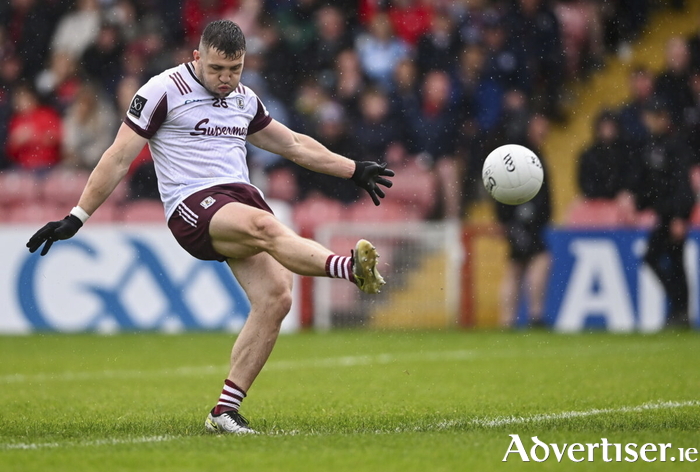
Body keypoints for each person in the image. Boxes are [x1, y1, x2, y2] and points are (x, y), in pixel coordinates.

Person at [26, 20, 394, 434]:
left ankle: (224, 412)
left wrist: (353, 170)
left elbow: (292, 144)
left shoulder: (244, 98)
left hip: (238, 198)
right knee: (264, 226)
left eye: (234, 69)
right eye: (217, 68)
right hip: (192, 204)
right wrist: (78, 216)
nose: (225, 79)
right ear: (197, 57)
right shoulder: (161, 91)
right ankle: (350, 270)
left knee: (276, 298)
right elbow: (117, 158)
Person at [628, 98, 694, 329]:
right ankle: (679, 309)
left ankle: (681, 311)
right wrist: (636, 202)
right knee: (662, 260)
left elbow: (682, 185)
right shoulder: (649, 146)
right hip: (663, 215)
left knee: (672, 262)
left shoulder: (675, 144)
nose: (654, 121)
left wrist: (680, 216)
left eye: (658, 116)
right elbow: (648, 185)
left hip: (672, 215)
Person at [495, 114, 552, 329]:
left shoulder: (519, 152)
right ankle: (535, 315)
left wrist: (505, 218)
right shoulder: (524, 155)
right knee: (537, 260)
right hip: (524, 221)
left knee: (516, 267)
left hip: (520, 220)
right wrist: (515, 217)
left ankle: (507, 320)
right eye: (540, 123)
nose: (544, 128)